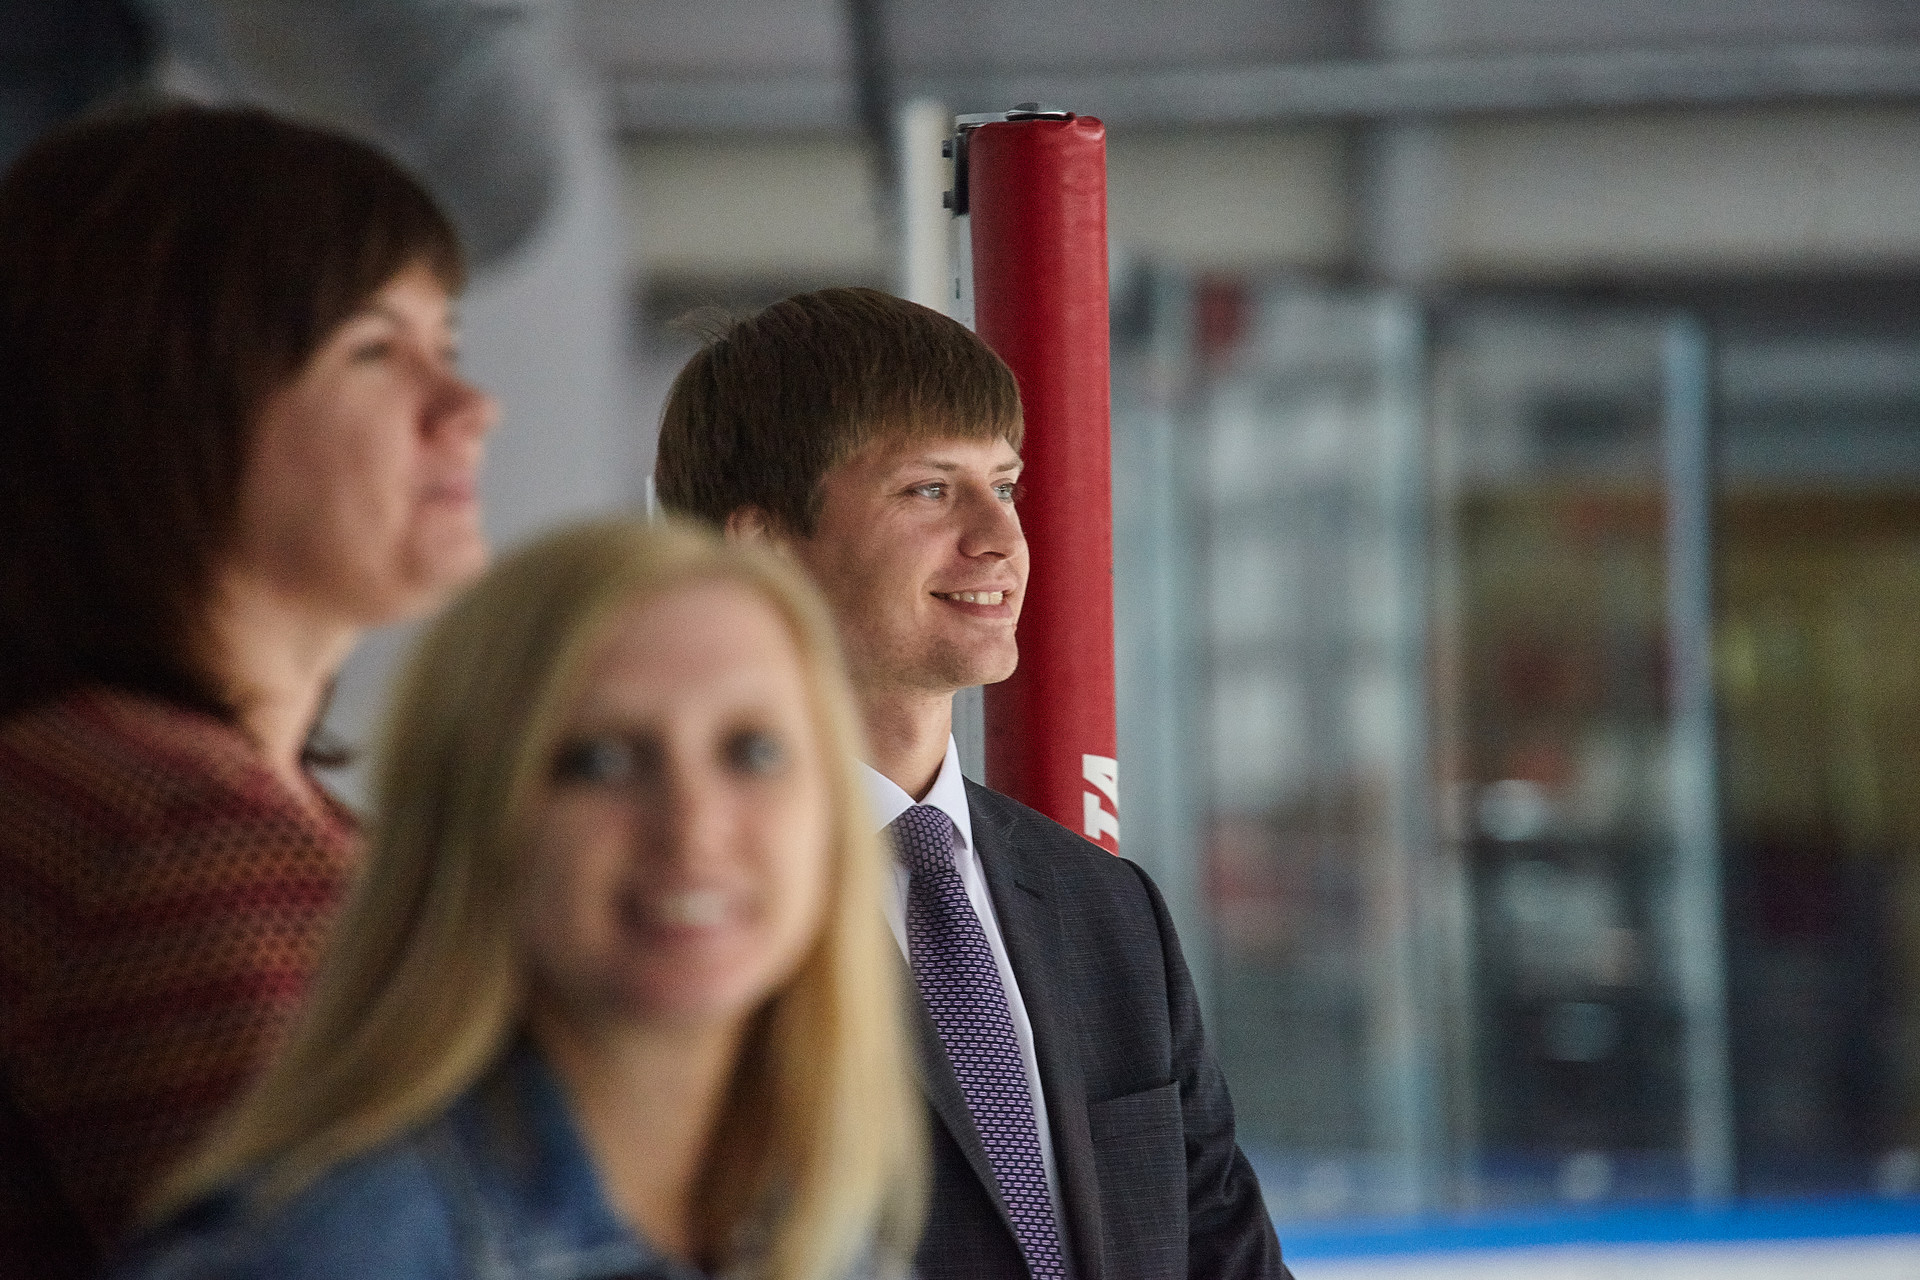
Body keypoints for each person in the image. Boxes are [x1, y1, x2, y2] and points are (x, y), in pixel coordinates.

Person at [654, 287, 1290, 1280]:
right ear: (767, 547)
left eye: (1006, 483)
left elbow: (1222, 1250)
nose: (1000, 537)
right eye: (930, 490)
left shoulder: (1106, 909)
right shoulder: (671, 909)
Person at [118, 518, 926, 1280]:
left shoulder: (824, 1240)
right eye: (603, 762)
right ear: (469, 817)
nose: (693, 829)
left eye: (752, 752)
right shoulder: (337, 1247)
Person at [0, 103, 496, 1275]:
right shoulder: (169, 824)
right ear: (163, 397)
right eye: (376, 351)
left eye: (450, 345)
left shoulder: (201, 806)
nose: (467, 409)